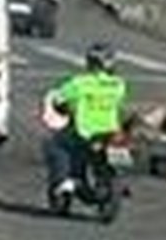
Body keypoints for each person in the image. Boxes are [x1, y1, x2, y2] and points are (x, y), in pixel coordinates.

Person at [44, 43, 129, 201]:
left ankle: (65, 181)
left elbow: (59, 98)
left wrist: (63, 107)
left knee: (56, 145)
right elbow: (120, 104)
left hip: (85, 131)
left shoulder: (80, 83)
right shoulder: (119, 85)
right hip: (111, 131)